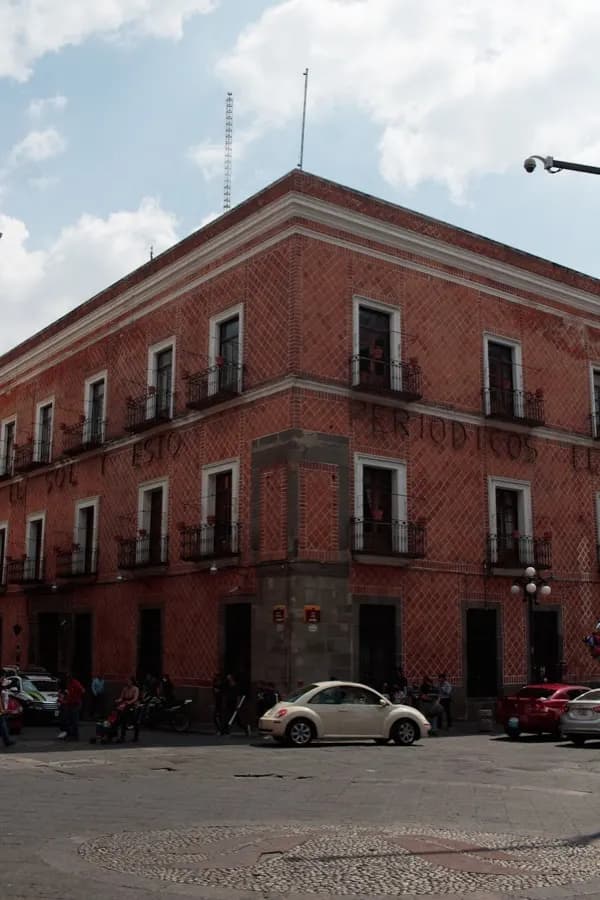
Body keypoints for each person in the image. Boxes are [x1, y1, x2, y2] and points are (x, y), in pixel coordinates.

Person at [116, 676, 140, 743]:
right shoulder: (125, 688)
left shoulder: (135, 688)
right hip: (125, 704)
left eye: (129, 681)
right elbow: (121, 697)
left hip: (133, 704)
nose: (127, 682)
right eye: (127, 681)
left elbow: (135, 698)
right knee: (123, 718)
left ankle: (136, 736)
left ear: (132, 682)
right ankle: (122, 736)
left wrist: (129, 702)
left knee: (135, 721)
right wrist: (118, 700)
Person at [64, 673, 85, 741]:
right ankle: (70, 734)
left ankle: (75, 736)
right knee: (69, 720)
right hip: (69, 704)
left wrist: (77, 697)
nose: (67, 679)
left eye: (68, 678)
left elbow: (82, 690)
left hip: (75, 704)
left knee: (74, 721)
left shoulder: (76, 683)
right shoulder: (69, 684)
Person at [0, 679, 15, 748]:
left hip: (2, 711)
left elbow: (9, 681)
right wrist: (2, 710)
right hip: (1, 712)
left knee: (4, 726)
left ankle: (7, 741)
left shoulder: (4, 691)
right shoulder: (2, 691)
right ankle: (7, 741)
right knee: (3, 726)